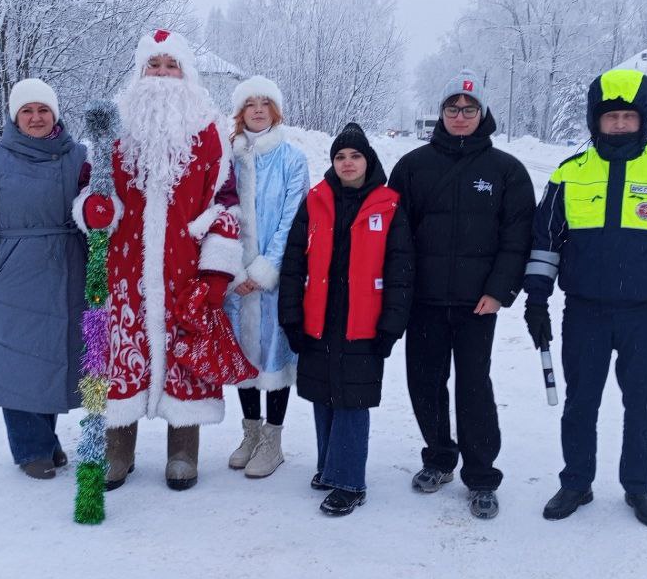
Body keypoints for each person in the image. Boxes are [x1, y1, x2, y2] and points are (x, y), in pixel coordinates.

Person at [522, 69, 647, 528]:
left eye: (628, 116)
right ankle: (576, 482)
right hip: (585, 312)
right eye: (611, 117)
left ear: (643, 119)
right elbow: (545, 242)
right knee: (580, 404)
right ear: (596, 120)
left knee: (643, 405)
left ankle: (639, 487)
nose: (619, 125)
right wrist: (536, 300)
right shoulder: (570, 174)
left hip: (646, 315)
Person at [77, 29, 244, 491]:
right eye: (155, 65)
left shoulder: (210, 131)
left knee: (184, 359)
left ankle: (183, 451)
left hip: (185, 270)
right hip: (123, 271)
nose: (163, 74)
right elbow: (93, 191)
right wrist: (94, 210)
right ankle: (117, 449)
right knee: (119, 357)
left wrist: (216, 272)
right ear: (140, 71)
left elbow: (225, 203)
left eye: (172, 66)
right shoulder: (114, 127)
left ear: (186, 73)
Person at [387, 70, 536, 519]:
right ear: (441, 112)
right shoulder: (412, 167)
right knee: (425, 384)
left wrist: (499, 291)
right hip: (425, 302)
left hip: (478, 305)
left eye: (469, 109)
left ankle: (482, 476)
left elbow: (517, 239)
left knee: (474, 388)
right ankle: (438, 458)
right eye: (452, 108)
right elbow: (395, 237)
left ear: (482, 113)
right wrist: (403, 291)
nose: (460, 115)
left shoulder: (506, 171)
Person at [279, 123, 413, 516]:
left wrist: (391, 326)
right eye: (340, 156)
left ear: (368, 160)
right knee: (323, 394)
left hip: (363, 321)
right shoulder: (316, 199)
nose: (347, 163)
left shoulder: (388, 204)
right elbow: (293, 262)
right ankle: (329, 468)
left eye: (355, 156)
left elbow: (401, 271)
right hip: (320, 316)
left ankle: (350, 481)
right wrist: (291, 317)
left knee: (353, 399)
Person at [0, 78, 87, 479]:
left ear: (55, 115)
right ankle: (31, 448)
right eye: (27, 111)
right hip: (17, 274)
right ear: (15, 117)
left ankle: (46, 440)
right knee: (20, 360)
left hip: (69, 270)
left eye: (43, 109)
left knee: (55, 357)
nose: (36, 117)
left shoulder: (78, 156)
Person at [224, 76, 310, 478]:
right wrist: (233, 269)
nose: (257, 110)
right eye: (250, 104)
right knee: (244, 355)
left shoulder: (292, 159)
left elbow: (293, 220)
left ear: (275, 111)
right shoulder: (228, 159)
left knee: (274, 354)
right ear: (240, 113)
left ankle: (272, 440)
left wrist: (262, 271)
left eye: (265, 103)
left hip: (274, 279)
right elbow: (220, 212)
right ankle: (251, 433)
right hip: (234, 278)